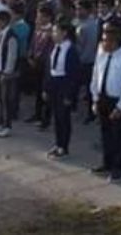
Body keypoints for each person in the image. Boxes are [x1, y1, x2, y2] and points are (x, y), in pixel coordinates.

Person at [89, 27, 121, 183]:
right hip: (103, 98)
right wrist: (95, 98)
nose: (103, 43)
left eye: (106, 41)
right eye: (103, 40)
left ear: (114, 42)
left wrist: (120, 106)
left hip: (116, 101)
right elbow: (95, 77)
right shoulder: (102, 56)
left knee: (116, 135)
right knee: (105, 134)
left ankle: (117, 168)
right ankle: (107, 163)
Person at [45, 23, 80, 158]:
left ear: (64, 33)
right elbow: (49, 69)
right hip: (54, 84)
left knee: (64, 117)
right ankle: (58, 143)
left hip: (64, 85)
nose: (53, 34)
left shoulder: (70, 49)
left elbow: (73, 75)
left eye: (56, 31)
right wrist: (46, 88)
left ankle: (64, 146)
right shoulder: (55, 47)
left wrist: (69, 95)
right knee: (57, 117)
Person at [0, 10, 19, 138]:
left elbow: (12, 56)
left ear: (3, 21)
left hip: (5, 73)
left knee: (6, 100)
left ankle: (7, 125)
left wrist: (6, 72)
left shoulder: (11, 36)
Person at [26, 6, 55, 129]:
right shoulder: (37, 29)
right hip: (36, 64)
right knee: (38, 90)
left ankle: (46, 118)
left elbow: (50, 50)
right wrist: (30, 56)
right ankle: (37, 114)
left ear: (48, 17)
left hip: (46, 65)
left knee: (46, 91)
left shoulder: (52, 32)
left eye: (41, 16)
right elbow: (33, 44)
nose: (38, 19)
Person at [75, 0, 99, 123]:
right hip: (78, 59)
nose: (78, 12)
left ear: (88, 11)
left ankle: (91, 114)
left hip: (87, 61)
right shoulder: (77, 22)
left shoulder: (91, 25)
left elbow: (90, 46)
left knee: (89, 88)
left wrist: (81, 60)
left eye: (81, 9)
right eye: (77, 9)